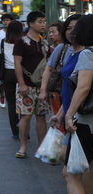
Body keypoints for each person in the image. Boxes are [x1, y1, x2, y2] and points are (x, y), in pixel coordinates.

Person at [50, 15, 93, 193]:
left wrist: (69, 115)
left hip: (86, 122)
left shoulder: (87, 54)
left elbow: (83, 87)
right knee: (88, 171)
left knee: (71, 174)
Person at [13, 11, 50, 159]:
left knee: (41, 117)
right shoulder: (21, 42)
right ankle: (23, 147)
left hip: (42, 87)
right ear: (31, 24)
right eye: (40, 21)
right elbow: (17, 63)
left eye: (44, 21)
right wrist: (21, 84)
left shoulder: (45, 42)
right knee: (26, 117)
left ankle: (42, 148)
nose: (43, 24)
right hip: (26, 87)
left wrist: (45, 88)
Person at [41, 14, 82, 116]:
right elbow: (49, 68)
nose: (72, 31)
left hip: (83, 103)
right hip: (64, 96)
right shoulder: (63, 48)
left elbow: (83, 87)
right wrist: (43, 90)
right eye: (68, 28)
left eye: (76, 27)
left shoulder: (88, 51)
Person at [0, 20, 24, 138]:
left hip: (8, 74)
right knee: (23, 103)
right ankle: (24, 130)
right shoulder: (23, 42)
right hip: (22, 74)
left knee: (11, 103)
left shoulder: (3, 42)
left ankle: (15, 131)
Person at [0, 14, 14, 108]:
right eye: (4, 20)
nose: (6, 22)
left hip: (12, 60)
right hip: (1, 60)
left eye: (8, 20)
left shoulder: (15, 33)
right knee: (1, 80)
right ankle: (2, 96)